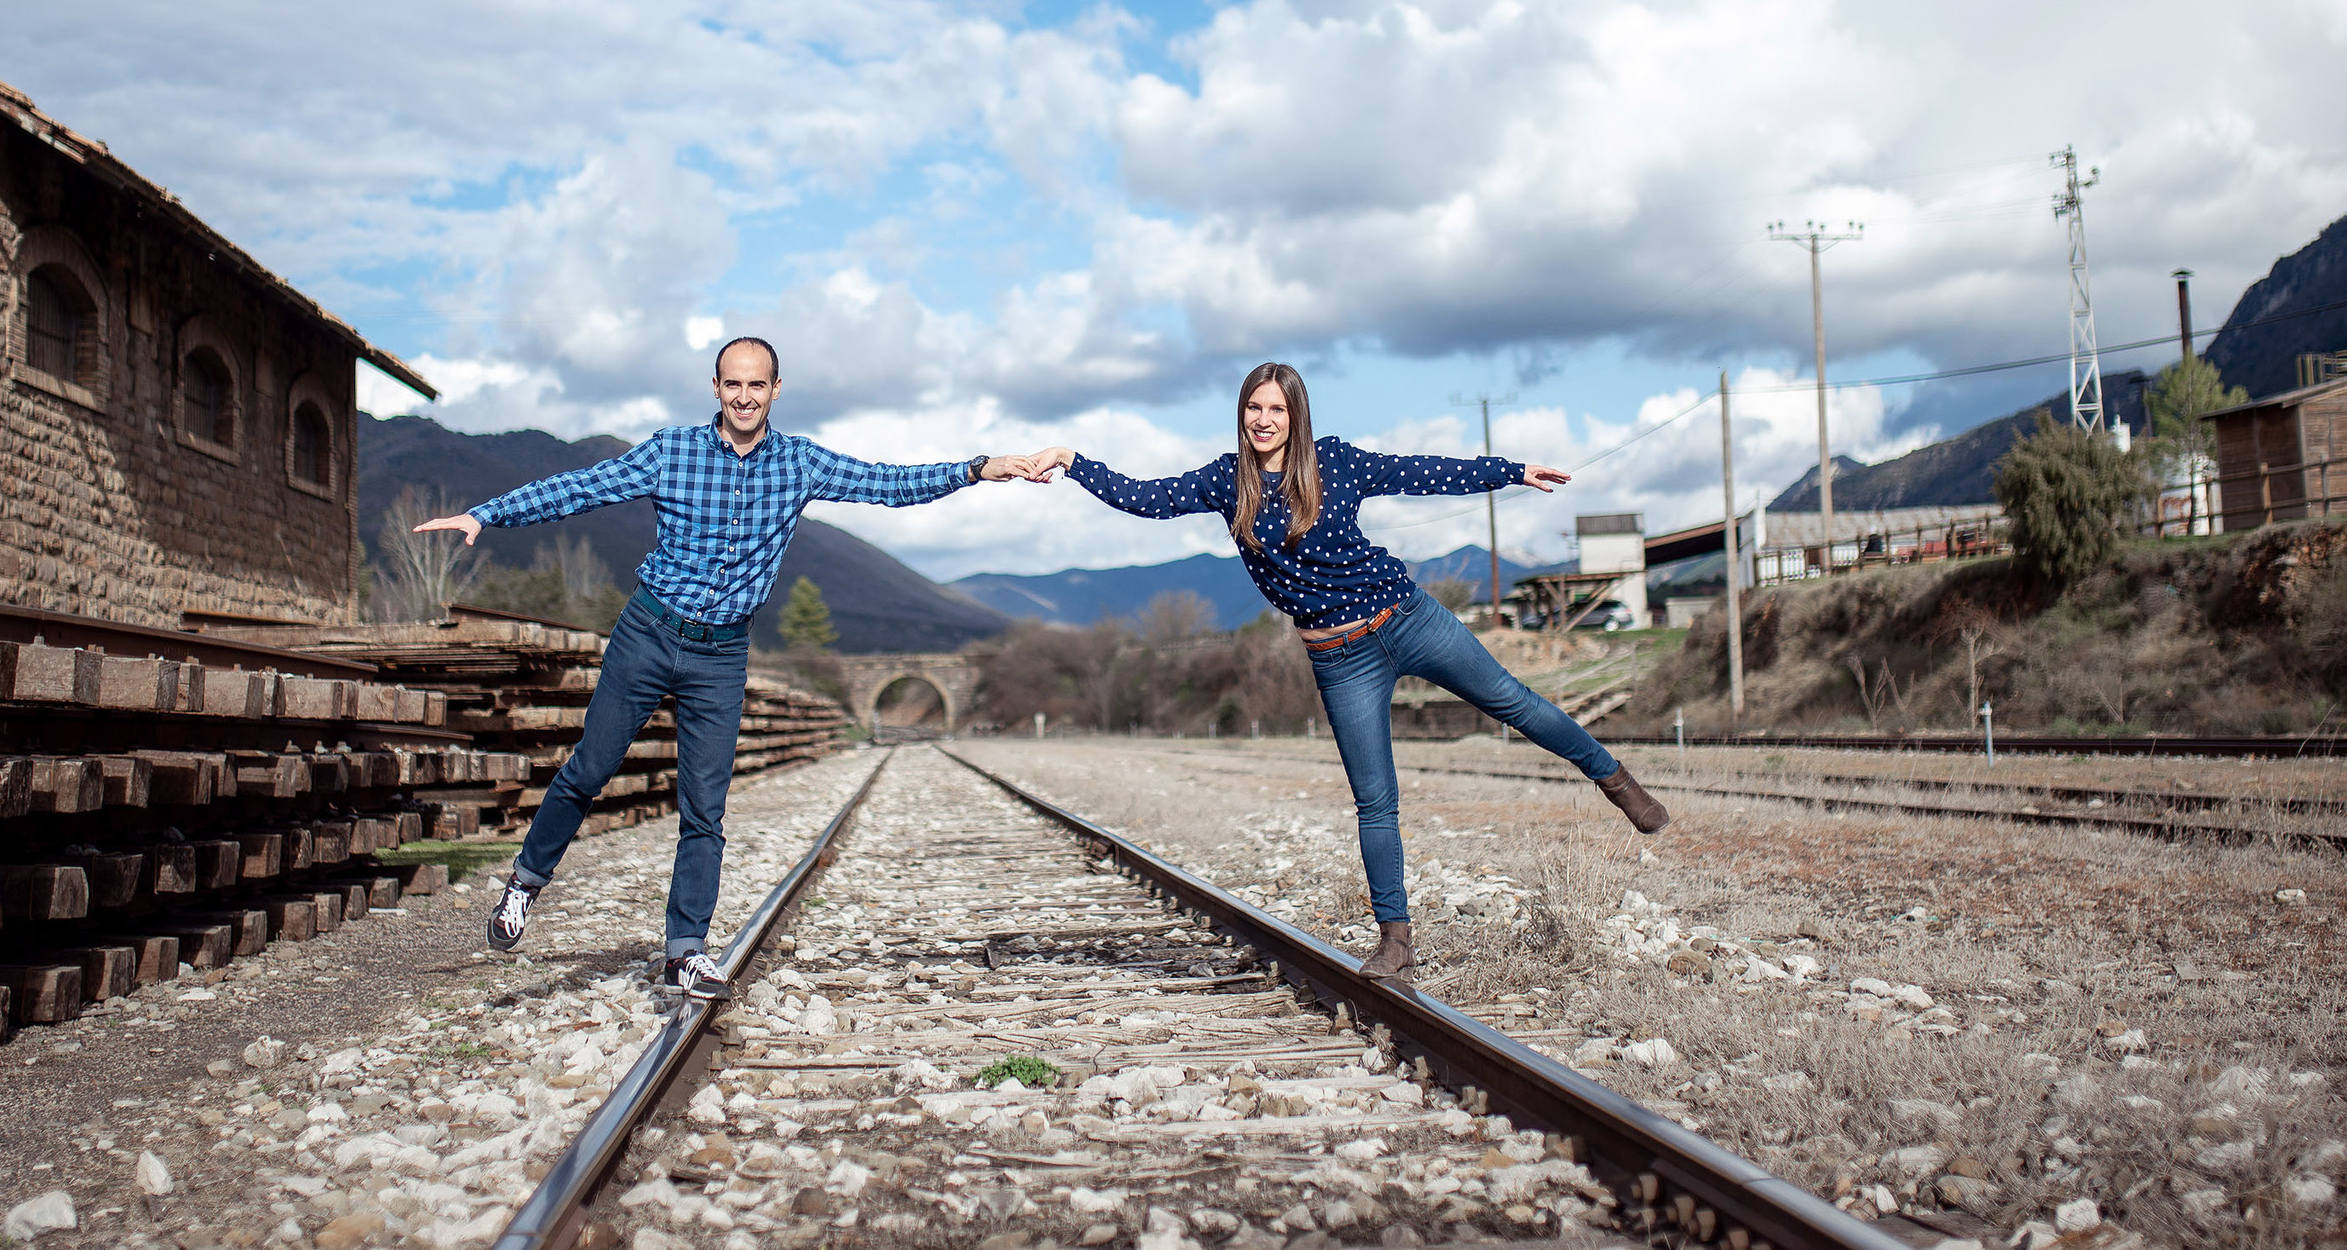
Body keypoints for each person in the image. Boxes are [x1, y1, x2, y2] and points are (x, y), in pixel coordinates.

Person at [412, 336, 1038, 998]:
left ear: (775, 391)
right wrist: (489, 514)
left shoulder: (799, 463)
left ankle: (686, 951)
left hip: (721, 654)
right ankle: (525, 884)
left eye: (757, 386)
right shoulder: (671, 451)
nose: (744, 397)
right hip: (649, 633)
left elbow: (886, 483)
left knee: (704, 809)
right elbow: (581, 489)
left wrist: (975, 469)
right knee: (588, 771)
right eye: (732, 385)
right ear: (716, 388)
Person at [1027, 361, 1668, 984]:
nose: (1264, 419)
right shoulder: (1228, 482)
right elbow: (1145, 499)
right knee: (1375, 800)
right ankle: (1396, 941)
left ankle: (1613, 779)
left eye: (1276, 408)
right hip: (1338, 659)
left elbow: (1422, 473)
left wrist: (1510, 471)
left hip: (1407, 618)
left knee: (1515, 702)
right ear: (1241, 414)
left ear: (1297, 415)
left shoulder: (1334, 461)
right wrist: (1073, 462)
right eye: (1254, 407)